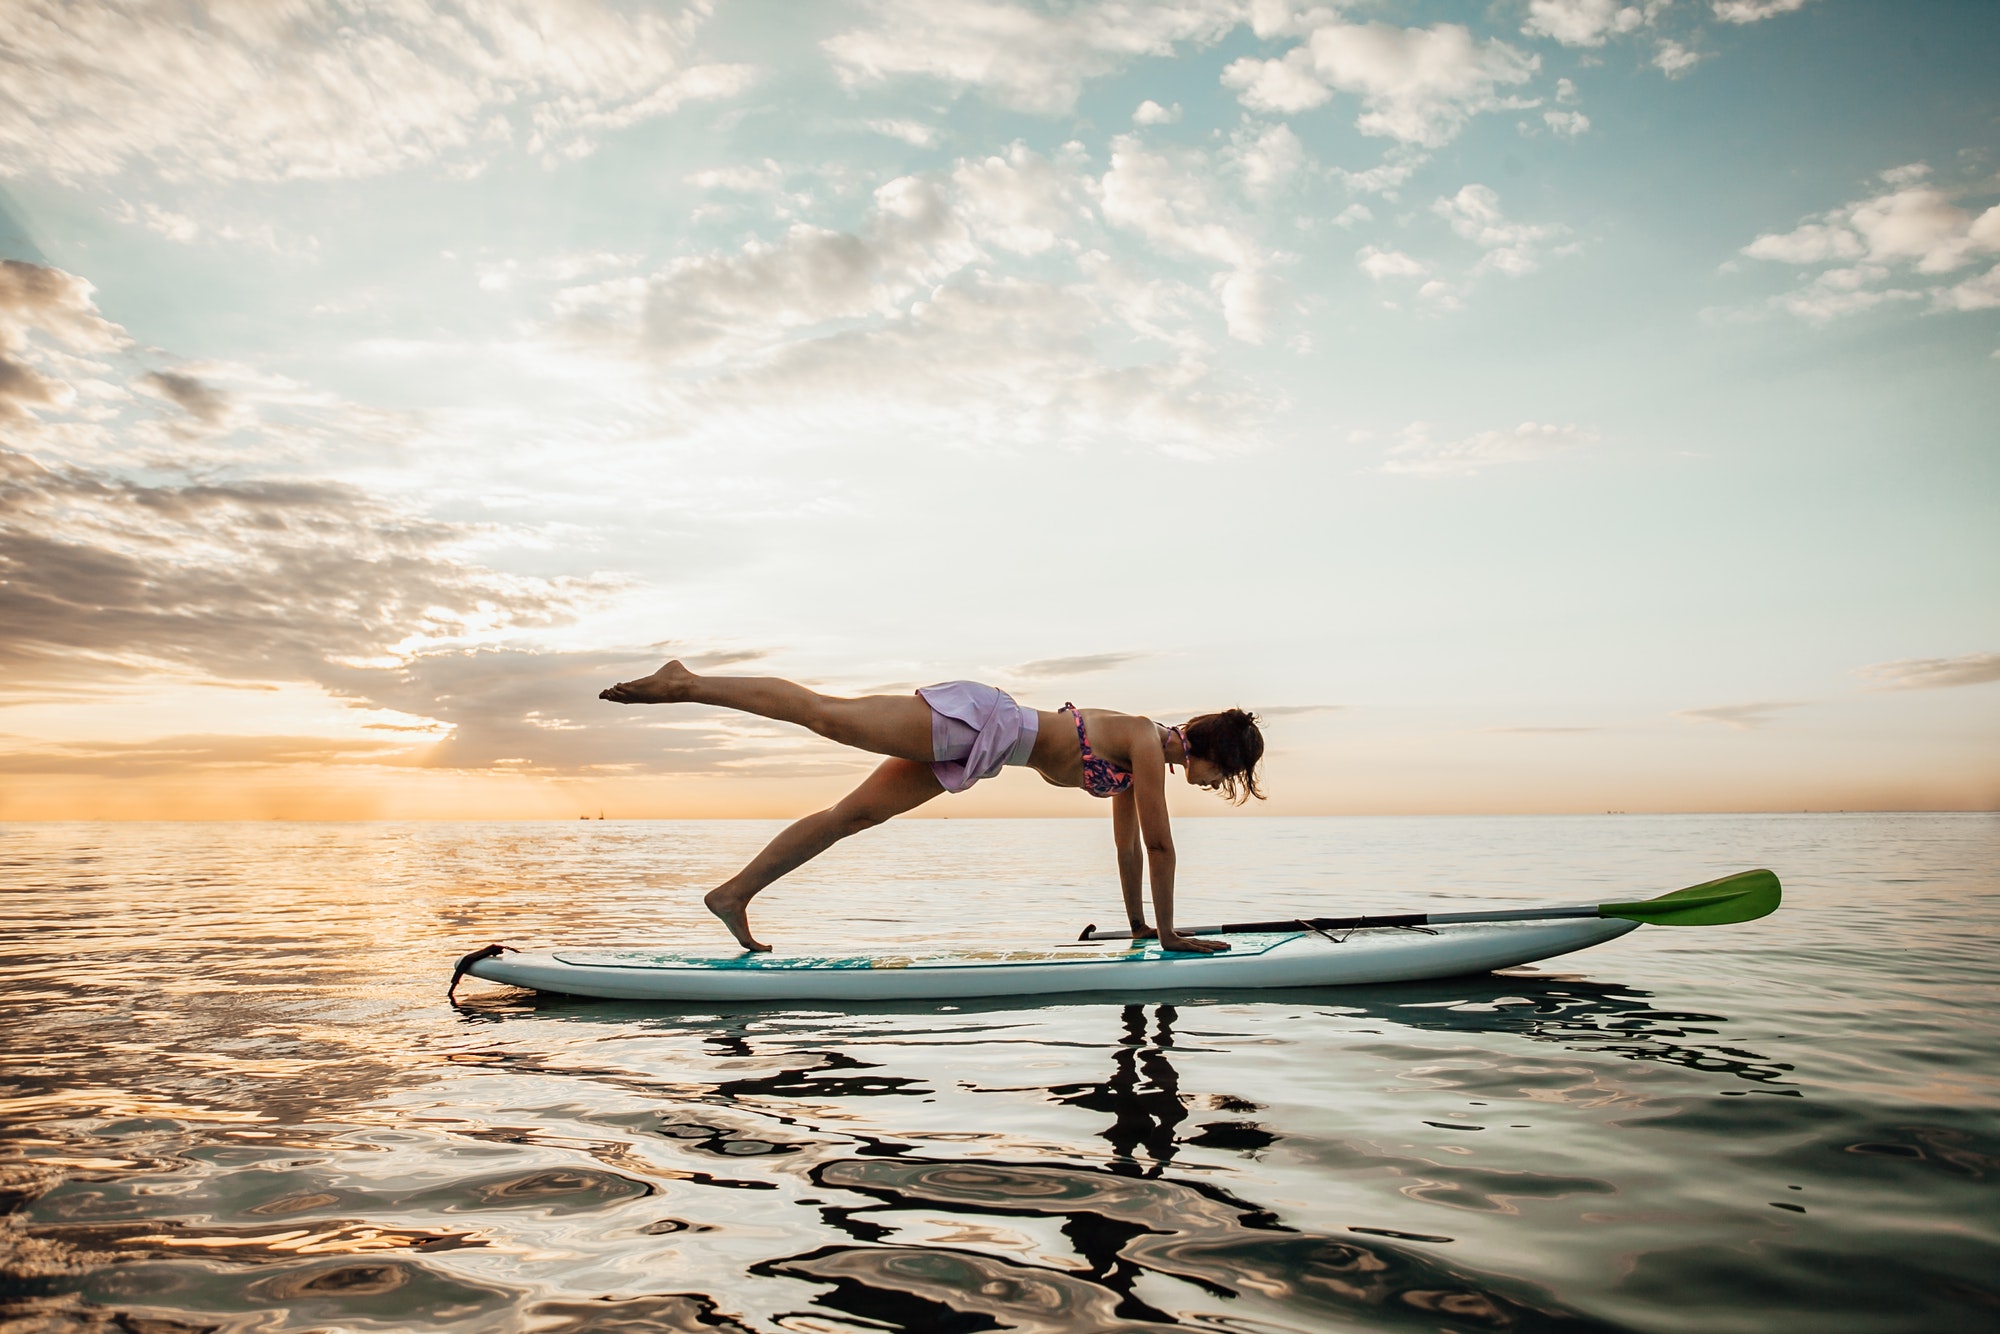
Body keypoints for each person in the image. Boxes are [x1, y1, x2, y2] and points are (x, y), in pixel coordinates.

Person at [599, 661, 1265, 954]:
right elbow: (1160, 846)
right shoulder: (1147, 739)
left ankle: (734, 894)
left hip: (980, 752)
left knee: (851, 817)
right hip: (979, 725)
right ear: (1210, 753)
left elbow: (1126, 850)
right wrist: (1175, 935)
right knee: (826, 715)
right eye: (1224, 776)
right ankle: (686, 683)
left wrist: (1144, 928)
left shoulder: (1135, 760)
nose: (1214, 786)